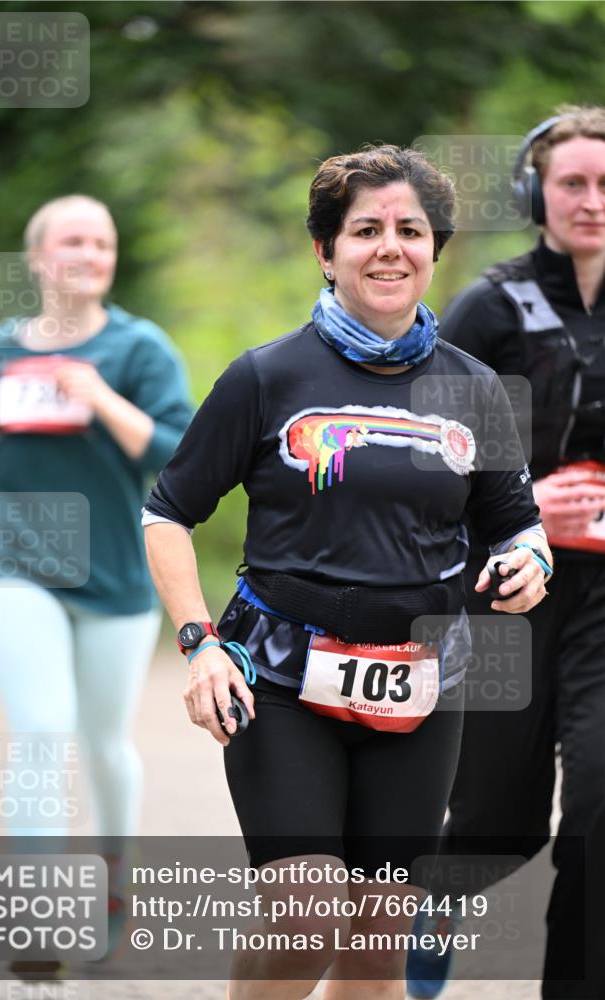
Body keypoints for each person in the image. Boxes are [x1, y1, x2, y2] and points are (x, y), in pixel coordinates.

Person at [143, 145, 552, 1000]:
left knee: (374, 950)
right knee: (304, 910)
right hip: (282, 682)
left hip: (418, 689)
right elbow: (166, 513)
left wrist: (527, 561)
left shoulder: (476, 390)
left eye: (409, 230)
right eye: (364, 230)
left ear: (434, 249)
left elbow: (514, 524)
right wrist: (200, 646)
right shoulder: (265, 375)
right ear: (325, 252)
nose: (389, 247)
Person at [0, 194, 193, 965]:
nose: (88, 253)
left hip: (114, 569)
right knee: (43, 731)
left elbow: (177, 452)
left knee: (103, 743)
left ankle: (115, 879)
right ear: (38, 258)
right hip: (14, 559)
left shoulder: (139, 349)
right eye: (72, 241)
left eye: (101, 242)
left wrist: (101, 399)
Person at [406, 107, 605, 999]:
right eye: (572, 182)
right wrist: (526, 506)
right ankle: (436, 901)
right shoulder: (490, 305)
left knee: (600, 814)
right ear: (536, 192)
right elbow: (416, 447)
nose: (591, 201)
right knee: (496, 820)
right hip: (506, 594)